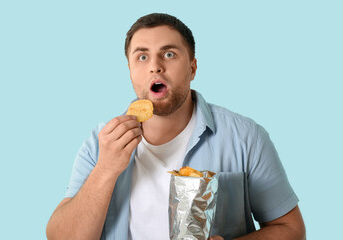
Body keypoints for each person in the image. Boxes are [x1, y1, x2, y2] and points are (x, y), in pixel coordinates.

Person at [46, 13, 306, 240]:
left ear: (192, 68)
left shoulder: (246, 138)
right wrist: (105, 170)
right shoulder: (99, 142)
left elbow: (292, 230)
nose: (155, 66)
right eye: (142, 57)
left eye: (169, 54)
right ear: (129, 71)